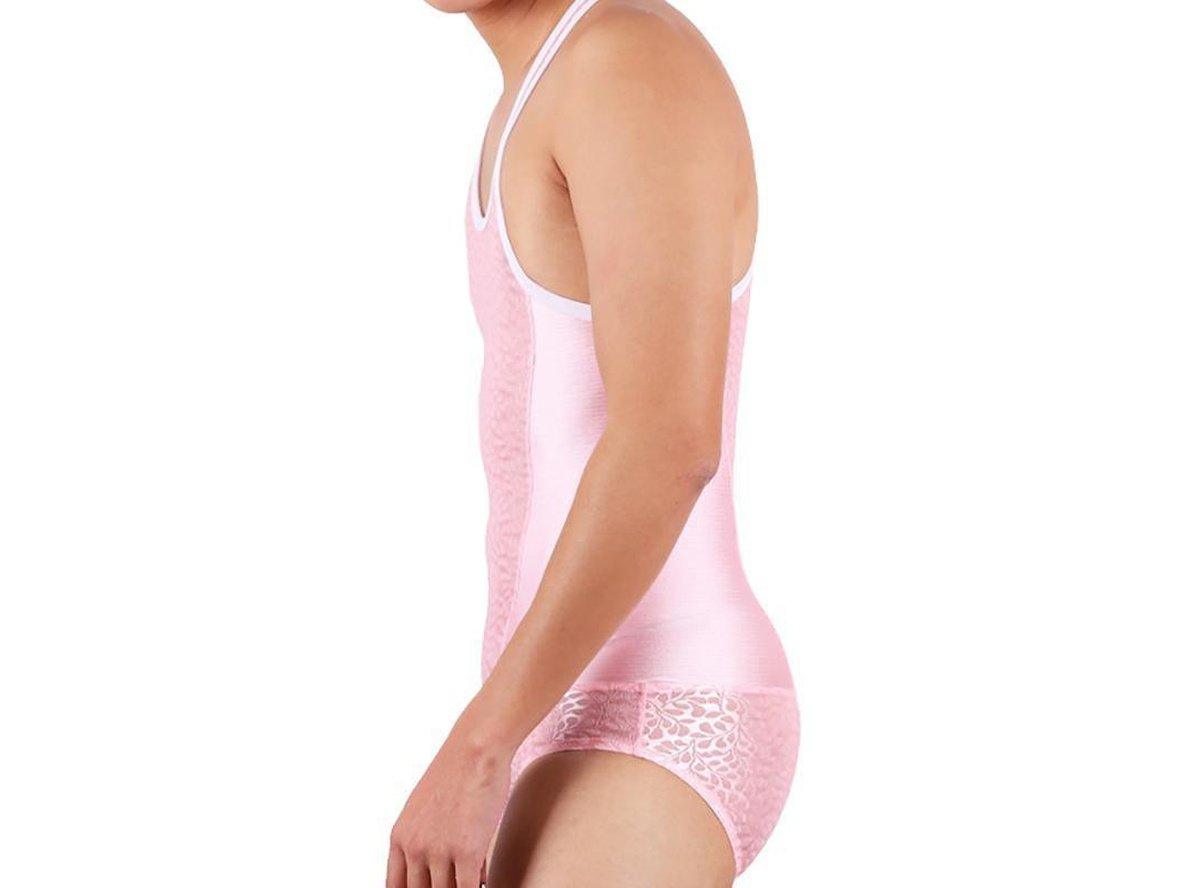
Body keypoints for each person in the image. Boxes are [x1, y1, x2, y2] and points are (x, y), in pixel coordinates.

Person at [388, 2, 799, 885]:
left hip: (663, 703)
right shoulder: (539, 85)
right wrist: (499, 731)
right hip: (550, 706)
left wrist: (477, 746)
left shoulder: (623, 60)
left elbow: (668, 443)